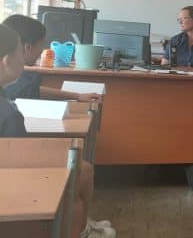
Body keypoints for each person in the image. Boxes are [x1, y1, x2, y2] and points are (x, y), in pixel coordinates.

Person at [0, 24, 113, 238]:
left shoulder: (6, 98)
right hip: (11, 192)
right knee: (75, 192)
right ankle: (80, 229)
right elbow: (20, 163)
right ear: (8, 59)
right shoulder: (8, 115)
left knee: (80, 171)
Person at [2, 15, 101, 102]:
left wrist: (77, 96)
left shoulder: (16, 79)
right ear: (27, 47)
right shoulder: (12, 81)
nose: (42, 50)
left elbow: (31, 90)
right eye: (41, 44)